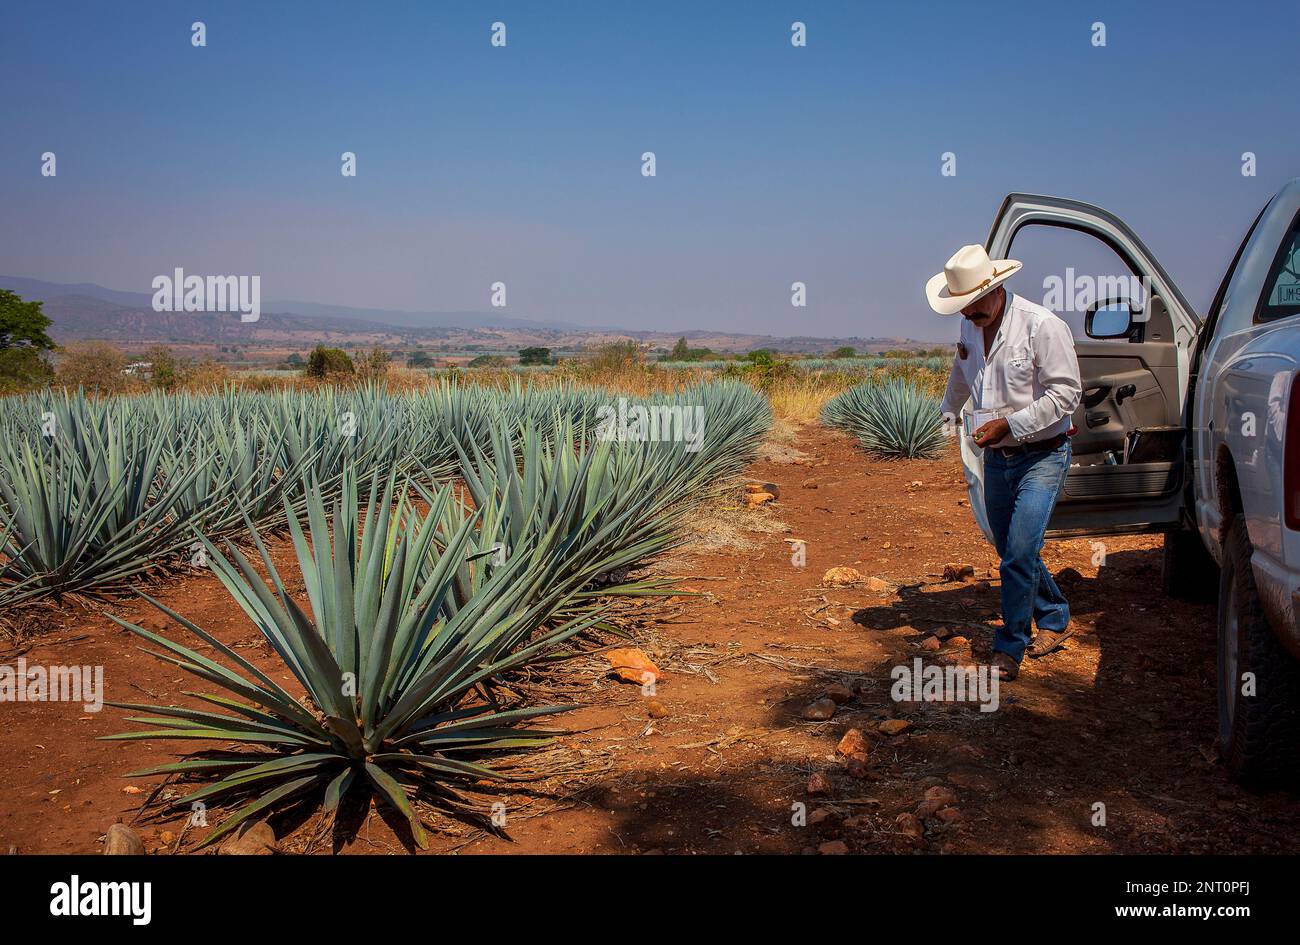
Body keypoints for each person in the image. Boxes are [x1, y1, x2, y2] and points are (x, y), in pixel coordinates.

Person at [926, 244, 1082, 680]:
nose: (970, 314)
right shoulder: (970, 326)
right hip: (995, 457)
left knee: (1017, 551)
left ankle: (1010, 646)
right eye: (963, 308)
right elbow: (961, 374)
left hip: (1043, 456)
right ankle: (1054, 611)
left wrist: (1010, 425)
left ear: (996, 289)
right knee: (1011, 547)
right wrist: (947, 415)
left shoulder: (1042, 326)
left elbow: (1067, 394)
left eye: (975, 305)